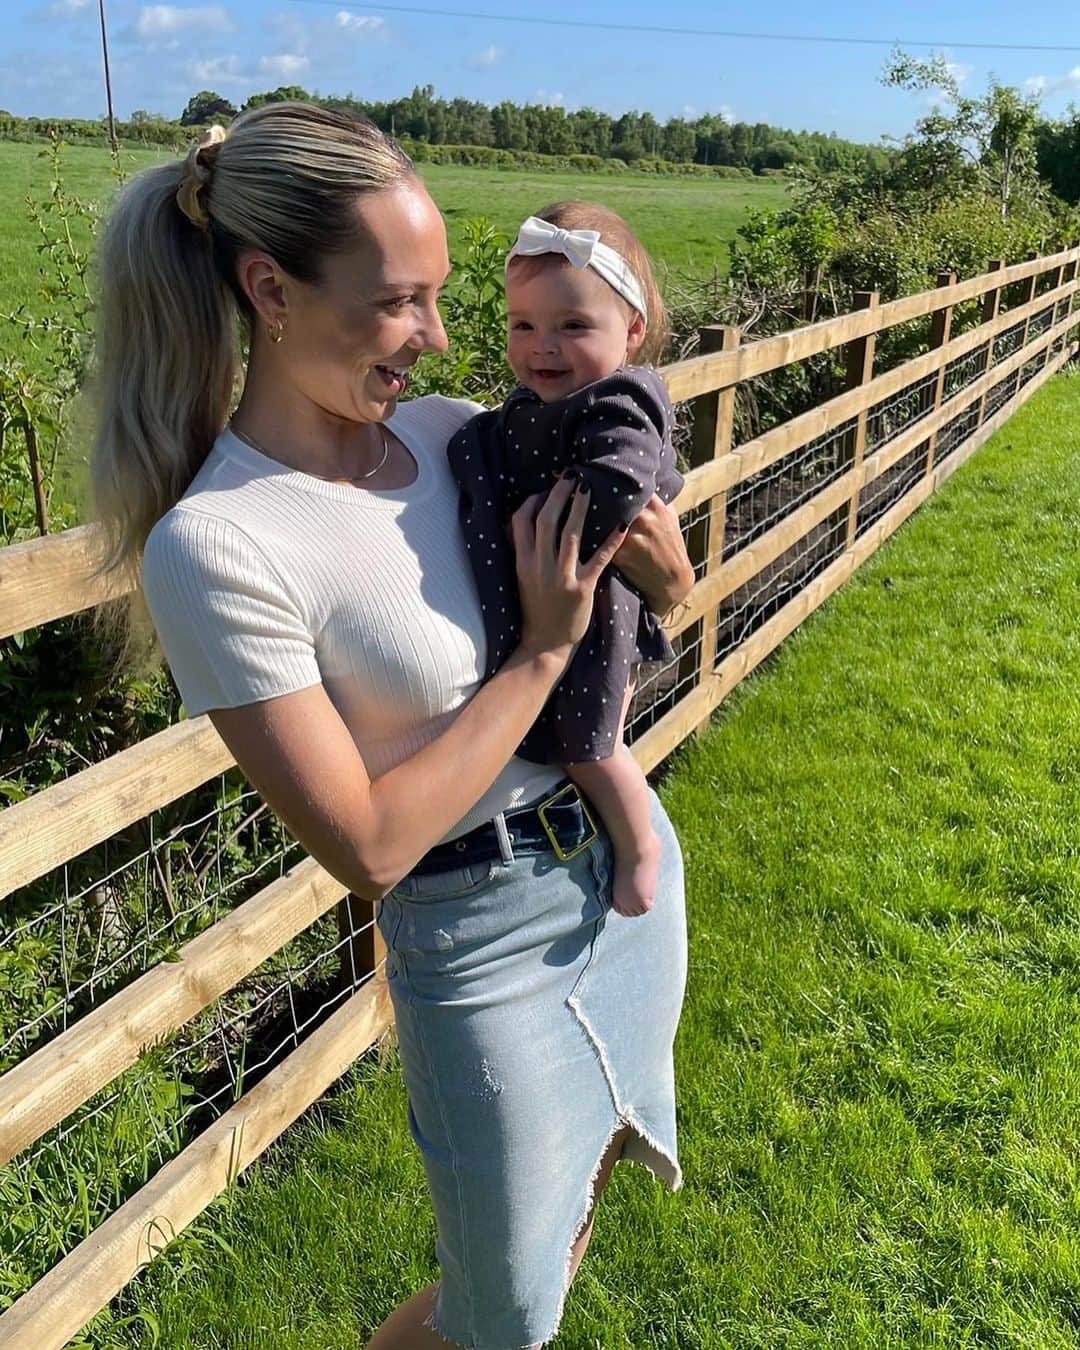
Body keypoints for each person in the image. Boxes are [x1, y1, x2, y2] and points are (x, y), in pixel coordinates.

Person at [90, 102, 692, 1350]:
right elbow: (365, 847)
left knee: (572, 1215)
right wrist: (538, 654)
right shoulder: (221, 545)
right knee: (506, 1309)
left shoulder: (447, 432)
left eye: (438, 296)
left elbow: (667, 580)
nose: (438, 335)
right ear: (271, 287)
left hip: (616, 880)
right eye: (401, 301)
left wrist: (664, 567)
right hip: (471, 935)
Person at [449, 204, 683, 919]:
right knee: (571, 736)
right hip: (563, 609)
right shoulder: (539, 406)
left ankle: (639, 841)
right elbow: (497, 442)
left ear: (632, 333)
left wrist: (562, 522)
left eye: (573, 326)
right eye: (523, 325)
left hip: (594, 608)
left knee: (588, 742)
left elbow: (622, 479)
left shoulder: (622, 399)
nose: (542, 347)